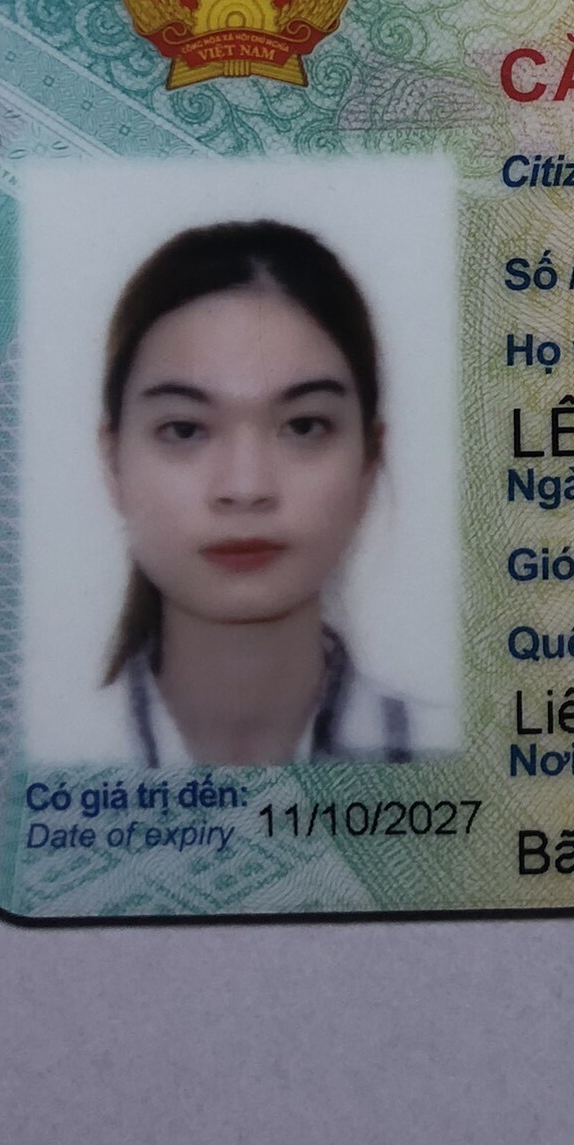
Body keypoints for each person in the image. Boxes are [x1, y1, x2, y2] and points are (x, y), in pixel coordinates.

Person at [99, 219, 415, 765]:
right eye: (184, 430)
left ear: (369, 460)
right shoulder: (18, 770)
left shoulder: (461, 759)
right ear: (113, 463)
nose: (246, 489)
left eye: (304, 426)